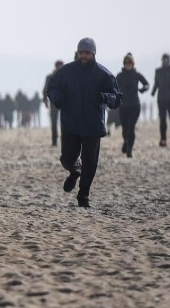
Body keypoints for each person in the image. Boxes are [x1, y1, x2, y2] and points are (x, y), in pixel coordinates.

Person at [46, 38, 121, 208]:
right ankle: (74, 171)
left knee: (90, 163)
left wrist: (105, 97)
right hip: (70, 123)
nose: (84, 56)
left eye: (87, 52)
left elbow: (116, 98)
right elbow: (52, 88)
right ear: (77, 53)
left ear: (93, 53)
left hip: (93, 126)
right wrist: (59, 99)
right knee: (67, 158)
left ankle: (83, 196)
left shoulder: (104, 74)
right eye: (81, 52)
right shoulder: (66, 72)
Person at [115, 53, 149, 157]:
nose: (128, 64)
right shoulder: (119, 76)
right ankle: (125, 141)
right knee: (125, 128)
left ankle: (130, 149)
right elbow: (113, 87)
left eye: (129, 62)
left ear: (133, 64)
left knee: (131, 127)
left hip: (135, 106)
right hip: (123, 106)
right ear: (123, 64)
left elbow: (147, 84)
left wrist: (143, 89)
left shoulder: (137, 75)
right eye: (126, 62)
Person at [43, 60, 64, 146]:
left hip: (65, 103)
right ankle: (54, 140)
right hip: (54, 102)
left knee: (64, 122)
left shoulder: (66, 76)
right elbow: (45, 90)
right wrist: (45, 101)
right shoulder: (50, 77)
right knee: (54, 122)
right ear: (56, 66)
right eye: (59, 66)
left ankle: (64, 140)